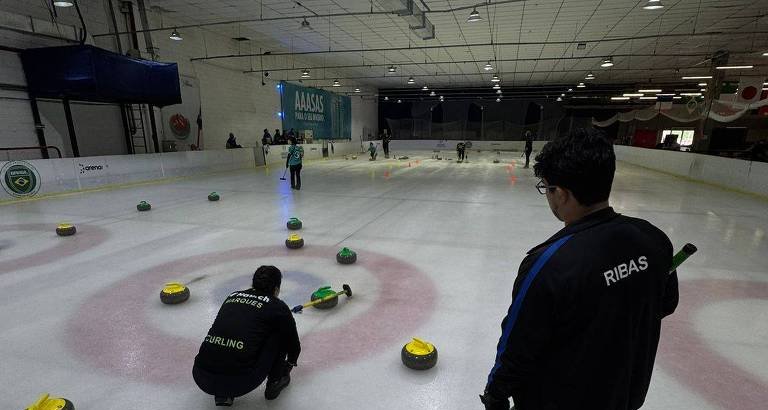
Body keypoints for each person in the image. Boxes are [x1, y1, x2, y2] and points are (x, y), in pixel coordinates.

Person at [480, 129, 679, 410]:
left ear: (561, 193)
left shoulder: (549, 264)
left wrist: (496, 393)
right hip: (625, 395)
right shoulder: (654, 239)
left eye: (547, 188)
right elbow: (666, 303)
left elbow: (518, 344)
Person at [193, 266, 300, 407]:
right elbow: (292, 343)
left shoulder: (233, 296)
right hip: (240, 381)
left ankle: (223, 394)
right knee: (279, 332)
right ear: (276, 289)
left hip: (201, 374)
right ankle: (275, 381)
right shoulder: (277, 306)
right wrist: (290, 363)